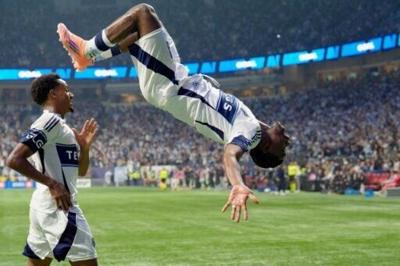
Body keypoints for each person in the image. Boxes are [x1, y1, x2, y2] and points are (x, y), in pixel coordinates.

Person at [57, 3, 290, 223]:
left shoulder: (249, 134)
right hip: (170, 84)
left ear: (267, 147)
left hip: (170, 84)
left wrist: (237, 184)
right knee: (137, 33)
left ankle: (88, 51)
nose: (288, 140)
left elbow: (230, 155)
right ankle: (90, 58)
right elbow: (263, 129)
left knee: (143, 13)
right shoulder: (254, 126)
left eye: (284, 148)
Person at [6, 74, 99, 266]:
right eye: (66, 90)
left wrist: (85, 148)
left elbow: (81, 171)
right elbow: (14, 159)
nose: (71, 94)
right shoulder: (50, 121)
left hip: (44, 206)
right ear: (53, 94)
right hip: (60, 208)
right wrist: (53, 184)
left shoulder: (66, 130)